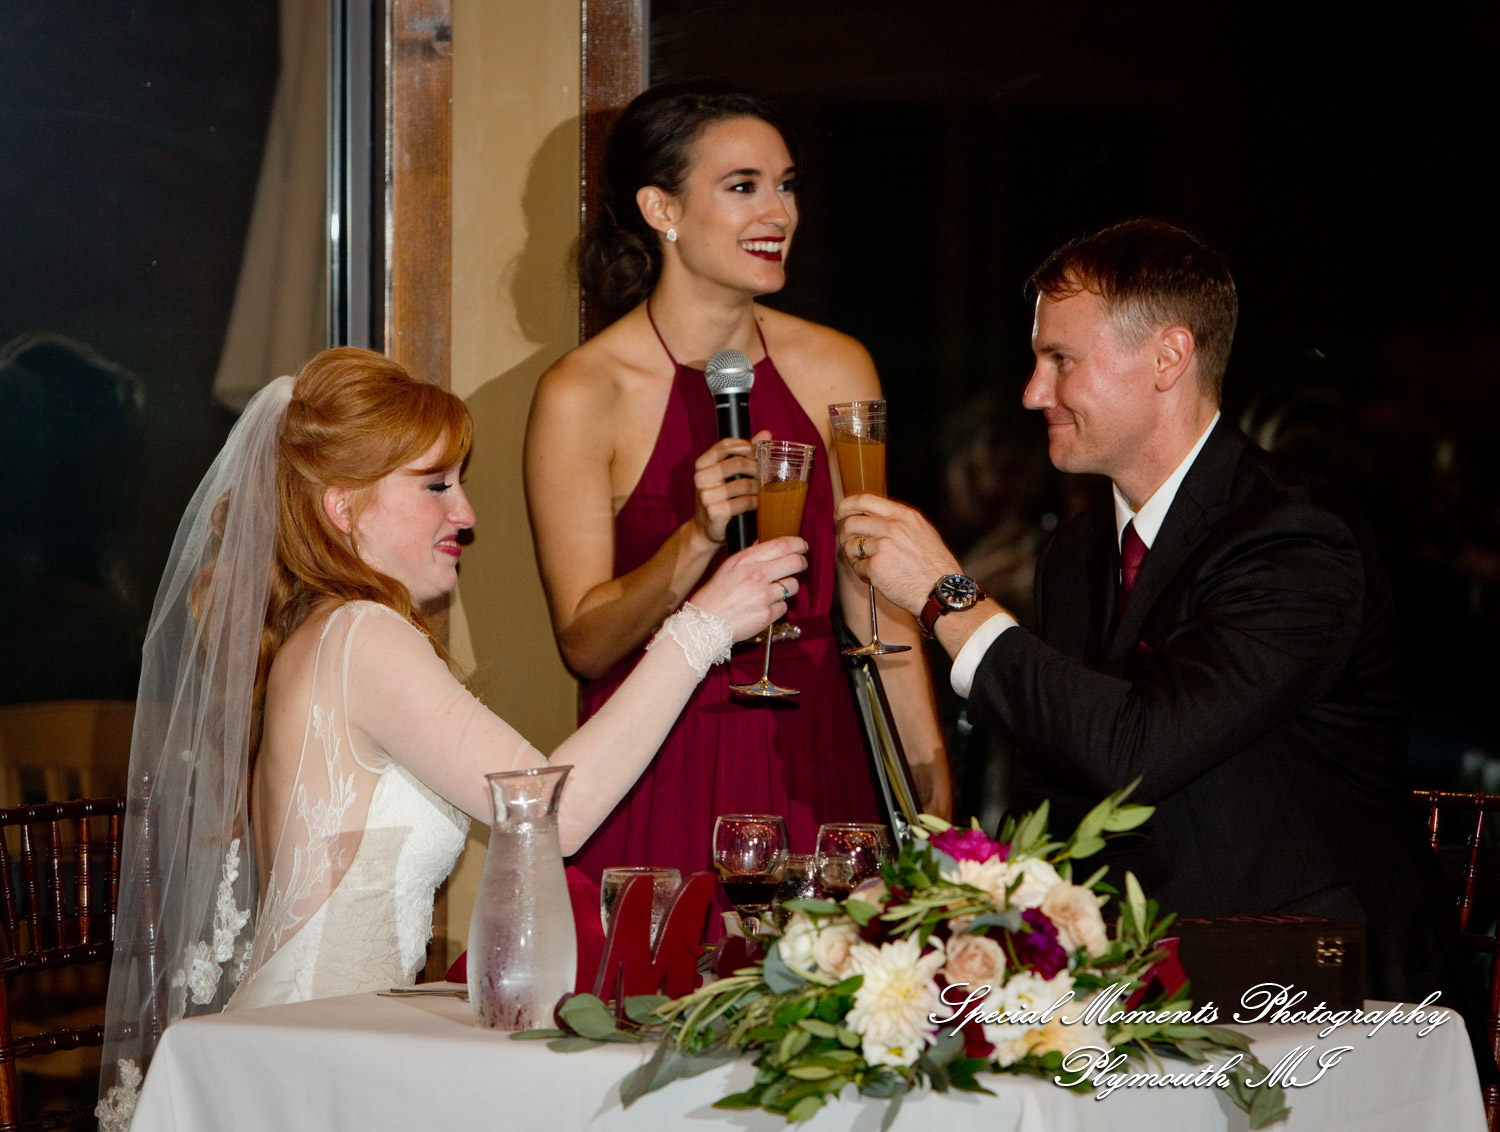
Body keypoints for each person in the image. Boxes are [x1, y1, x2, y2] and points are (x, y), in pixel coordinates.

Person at [96, 348, 806, 1119]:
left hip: (343, 1039)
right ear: (343, 508)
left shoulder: (329, 630)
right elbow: (552, 815)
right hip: (321, 1066)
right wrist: (701, 629)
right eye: (435, 485)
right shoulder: (362, 635)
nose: (464, 514)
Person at [835, 218, 1466, 1010]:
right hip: (1147, 977)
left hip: (1319, 991)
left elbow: (1138, 745)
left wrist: (946, 598)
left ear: (1169, 358)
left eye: (1060, 360)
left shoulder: (1295, 538)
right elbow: (1058, 775)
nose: (1034, 393)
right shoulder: (1081, 546)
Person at [523, 81, 950, 887]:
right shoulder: (583, 393)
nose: (779, 214)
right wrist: (695, 540)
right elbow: (585, 645)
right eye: (743, 187)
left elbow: (875, 596)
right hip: (661, 756)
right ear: (662, 209)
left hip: (817, 752)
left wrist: (928, 794)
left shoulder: (838, 367)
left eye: (786, 186)